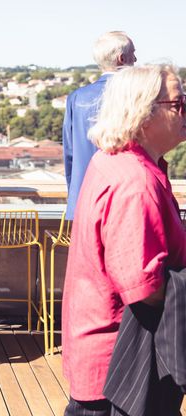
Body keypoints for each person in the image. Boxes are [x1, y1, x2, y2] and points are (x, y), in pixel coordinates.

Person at [62, 65, 186, 415]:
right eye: (178, 104)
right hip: (124, 370)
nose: (185, 111)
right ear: (144, 114)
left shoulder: (114, 160)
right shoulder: (135, 182)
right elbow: (145, 288)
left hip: (107, 357)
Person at [63, 31, 136, 219]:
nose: (136, 59)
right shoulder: (137, 96)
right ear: (122, 58)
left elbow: (69, 152)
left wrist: (74, 195)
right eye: (133, 53)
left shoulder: (76, 97)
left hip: (83, 199)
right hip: (125, 198)